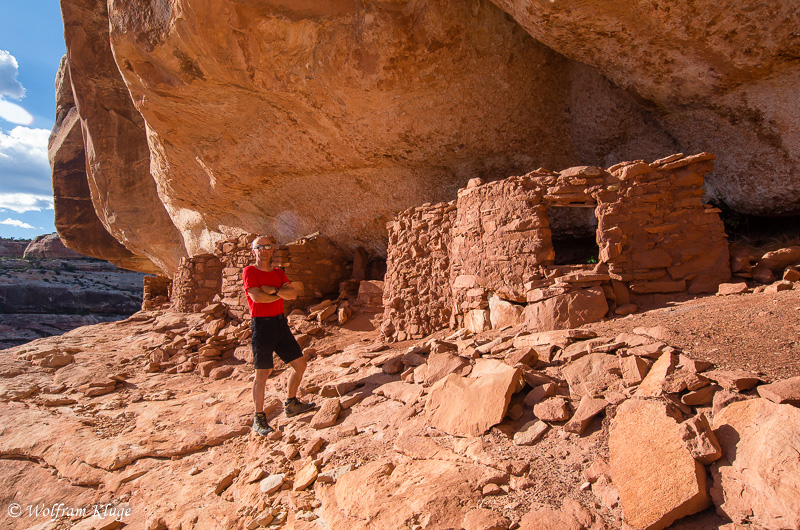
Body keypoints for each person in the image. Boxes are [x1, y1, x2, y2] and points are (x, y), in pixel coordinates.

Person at [243, 236, 315, 436]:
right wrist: (278, 293)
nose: (264, 250)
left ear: (272, 251)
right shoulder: (250, 271)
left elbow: (292, 295)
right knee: (263, 373)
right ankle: (258, 417)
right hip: (261, 325)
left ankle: (291, 403)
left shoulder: (278, 273)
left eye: (267, 246)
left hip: (280, 323)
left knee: (300, 365)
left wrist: (271, 290)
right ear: (254, 251)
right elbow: (256, 298)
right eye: (260, 247)